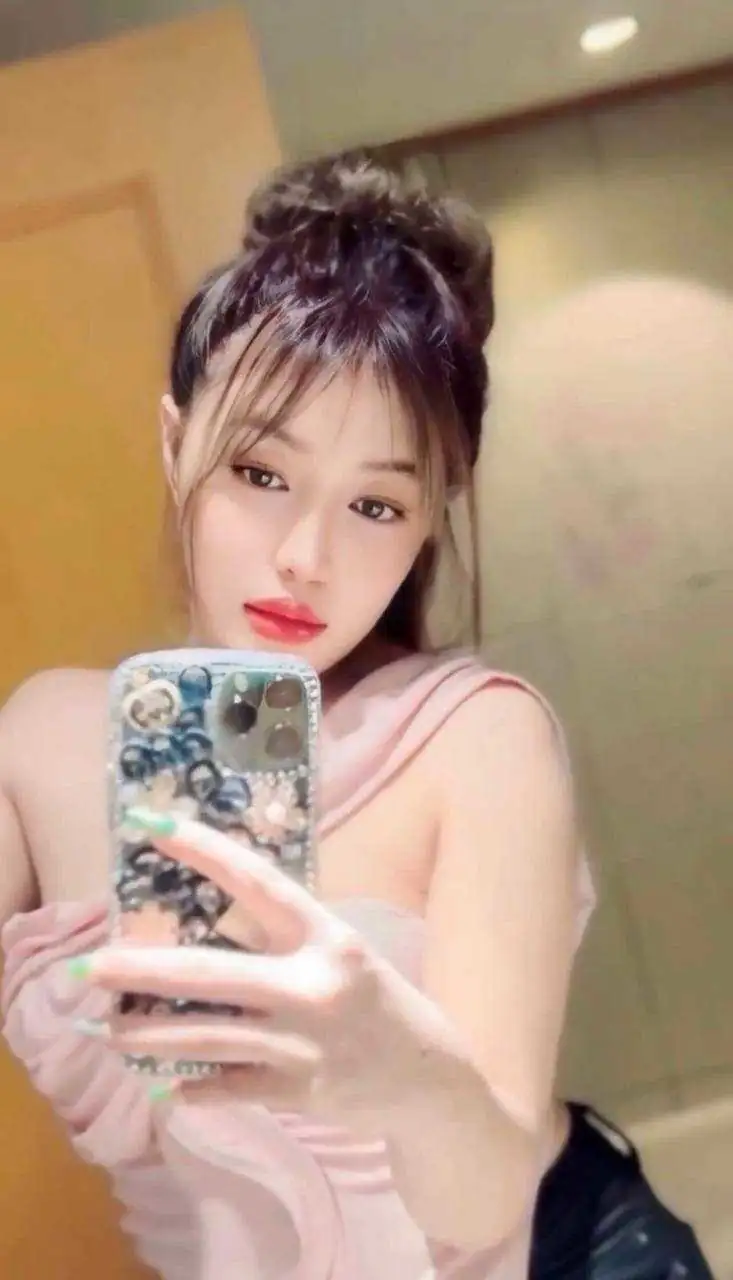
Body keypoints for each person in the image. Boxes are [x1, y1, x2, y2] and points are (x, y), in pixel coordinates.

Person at [0, 154, 712, 1280]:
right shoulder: (44, 735)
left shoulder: (476, 737)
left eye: (374, 503)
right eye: (260, 472)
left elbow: (484, 1198)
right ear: (175, 442)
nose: (306, 555)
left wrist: (395, 1065)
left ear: (429, 517)